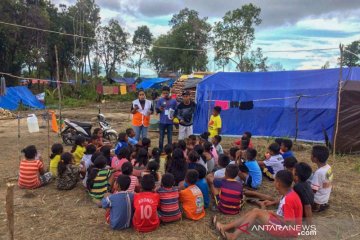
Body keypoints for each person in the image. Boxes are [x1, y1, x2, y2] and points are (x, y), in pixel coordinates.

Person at [213, 170, 303, 239]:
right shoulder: (289, 193)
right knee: (255, 211)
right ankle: (226, 227)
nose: (274, 183)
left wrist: (273, 213)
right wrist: (272, 207)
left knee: (257, 213)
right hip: (286, 227)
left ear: (278, 184)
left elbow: (290, 222)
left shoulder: (288, 200)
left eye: (275, 181)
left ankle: (233, 236)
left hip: (287, 232)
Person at [310, 145, 333, 212]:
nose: (310, 155)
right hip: (324, 199)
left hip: (317, 201)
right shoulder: (328, 167)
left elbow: (314, 190)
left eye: (311, 154)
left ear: (315, 158)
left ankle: (315, 207)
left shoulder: (318, 173)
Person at [156, 86, 177, 152]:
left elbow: (176, 110)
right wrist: (159, 109)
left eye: (166, 93)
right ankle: (160, 150)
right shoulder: (160, 100)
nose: (165, 94)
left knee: (170, 138)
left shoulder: (174, 101)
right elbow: (157, 110)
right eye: (164, 93)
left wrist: (174, 116)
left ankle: (169, 151)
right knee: (161, 137)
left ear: (169, 92)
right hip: (162, 122)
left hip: (170, 122)